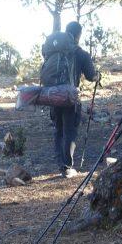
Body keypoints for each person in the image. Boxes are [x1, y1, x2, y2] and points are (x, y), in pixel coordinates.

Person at [46, 21, 98, 178]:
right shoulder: (81, 53)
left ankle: (61, 164)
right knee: (70, 131)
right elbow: (91, 76)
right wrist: (98, 75)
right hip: (70, 97)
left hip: (53, 95)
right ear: (78, 35)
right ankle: (67, 168)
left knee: (59, 130)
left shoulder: (53, 52)